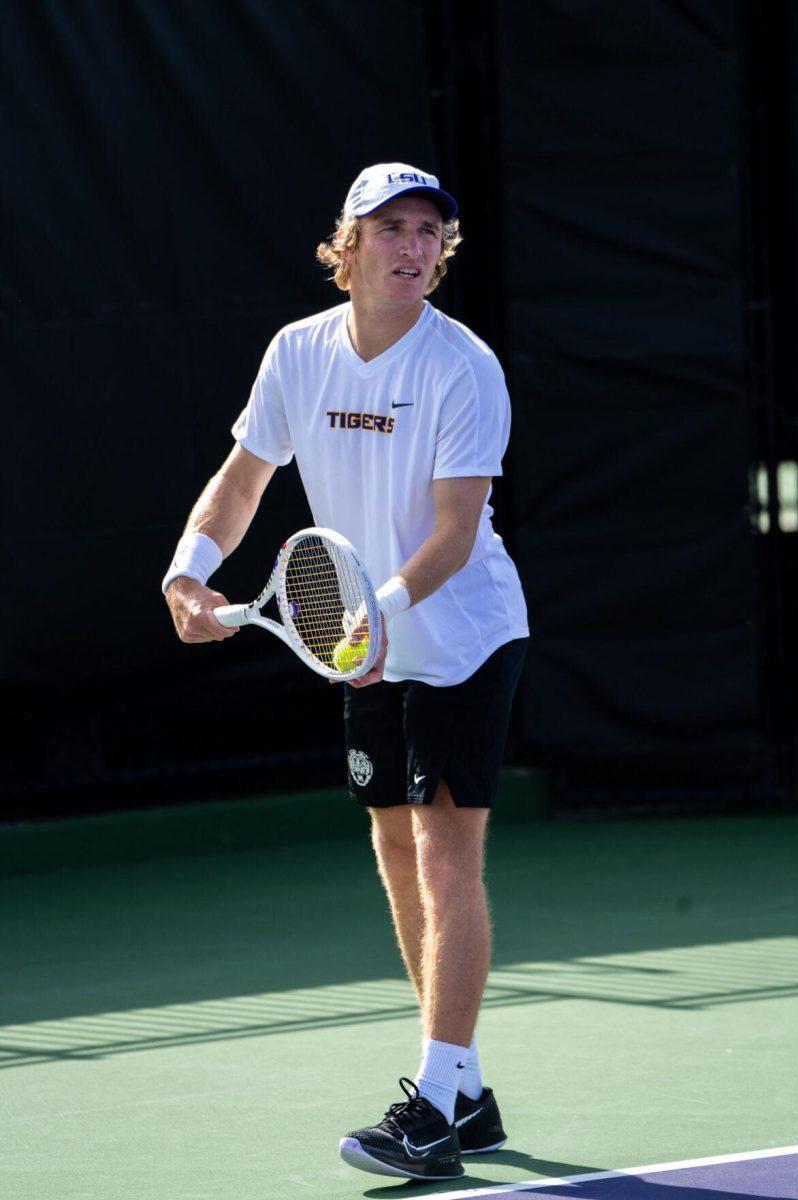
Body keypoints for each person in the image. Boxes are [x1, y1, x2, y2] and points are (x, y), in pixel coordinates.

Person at [162, 162, 529, 1181]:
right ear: (349, 245)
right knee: (395, 854)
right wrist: (188, 572)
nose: (414, 246)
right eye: (392, 228)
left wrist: (378, 611)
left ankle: (432, 1104)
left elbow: (454, 536)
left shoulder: (464, 368)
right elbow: (242, 480)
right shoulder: (298, 354)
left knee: (446, 856)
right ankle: (463, 1093)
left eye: (428, 232)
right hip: (361, 646)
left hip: (458, 634)